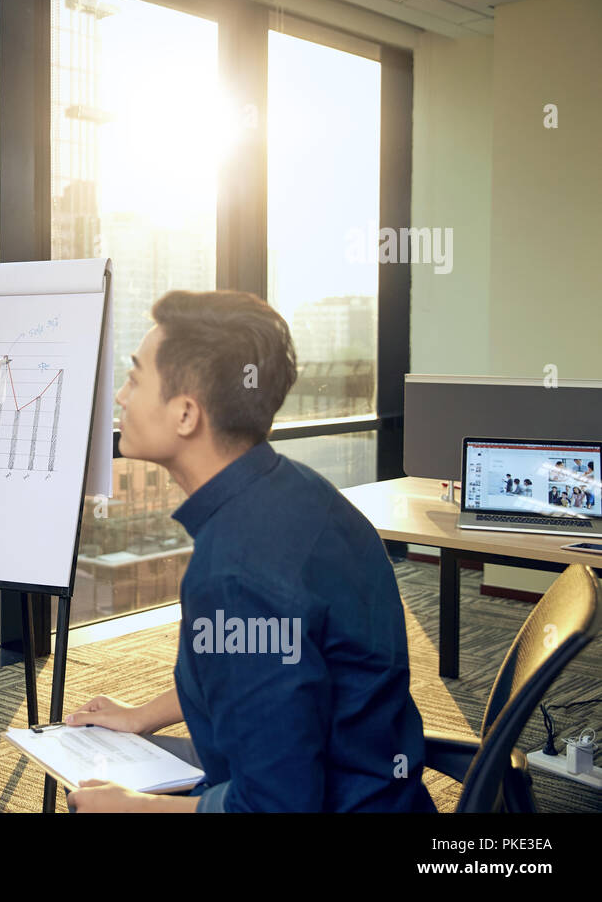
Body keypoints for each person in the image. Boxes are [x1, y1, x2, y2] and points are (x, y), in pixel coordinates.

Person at [65, 289, 435, 812]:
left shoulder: (235, 575)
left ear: (186, 414)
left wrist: (135, 808)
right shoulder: (297, 489)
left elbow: (276, 807)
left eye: (134, 377)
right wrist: (142, 714)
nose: (121, 397)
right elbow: (268, 673)